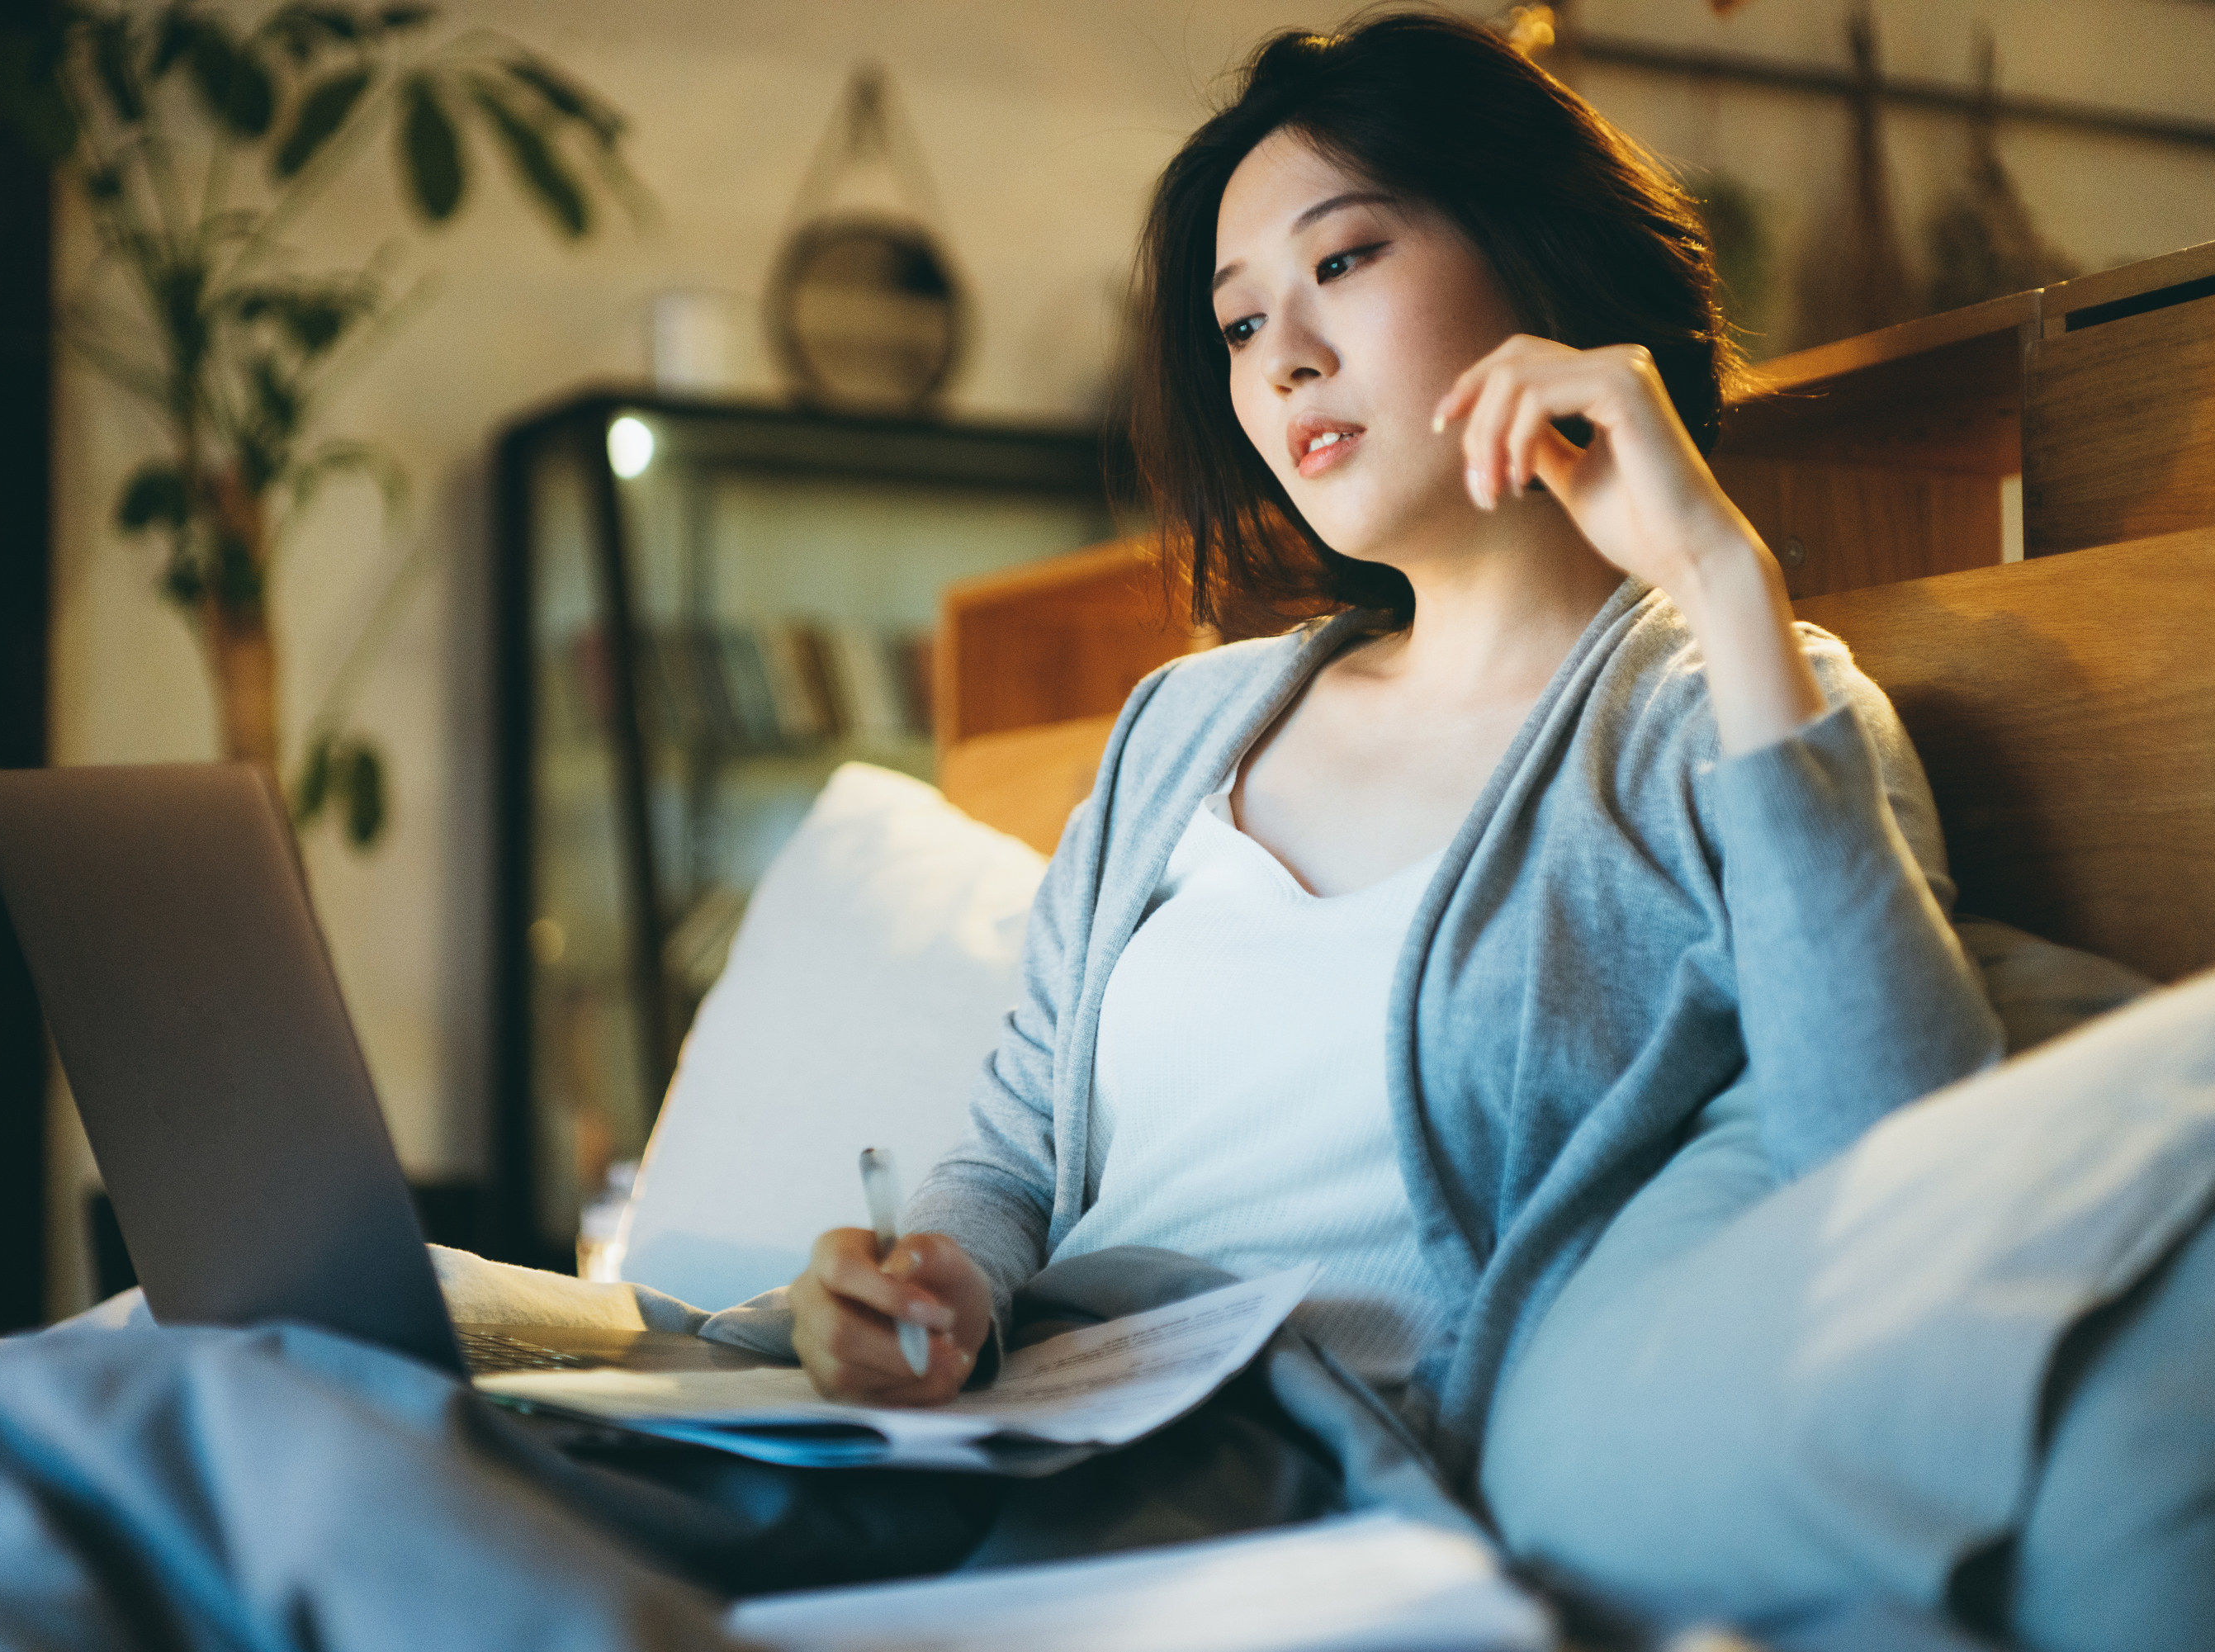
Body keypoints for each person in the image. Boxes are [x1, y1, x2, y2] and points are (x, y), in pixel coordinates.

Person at [788, 11, 2000, 1487]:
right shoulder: (1183, 723)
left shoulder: (1739, 714)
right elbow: (1009, 1166)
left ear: (1534, 256)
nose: (1284, 358)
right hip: (997, 1425)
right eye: (1239, 323)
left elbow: (1902, 1161)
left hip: (1280, 1475)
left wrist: (1722, 576)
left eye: (1343, 261)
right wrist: (930, 1291)